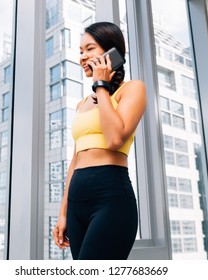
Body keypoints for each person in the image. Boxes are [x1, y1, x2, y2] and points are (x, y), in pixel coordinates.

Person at [52, 21, 147, 260]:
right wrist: (63, 213)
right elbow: (75, 160)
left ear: (111, 52)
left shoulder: (132, 89)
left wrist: (101, 86)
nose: (82, 57)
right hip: (77, 198)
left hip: (111, 196)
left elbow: (115, 139)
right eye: (80, 51)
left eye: (89, 49)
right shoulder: (82, 104)